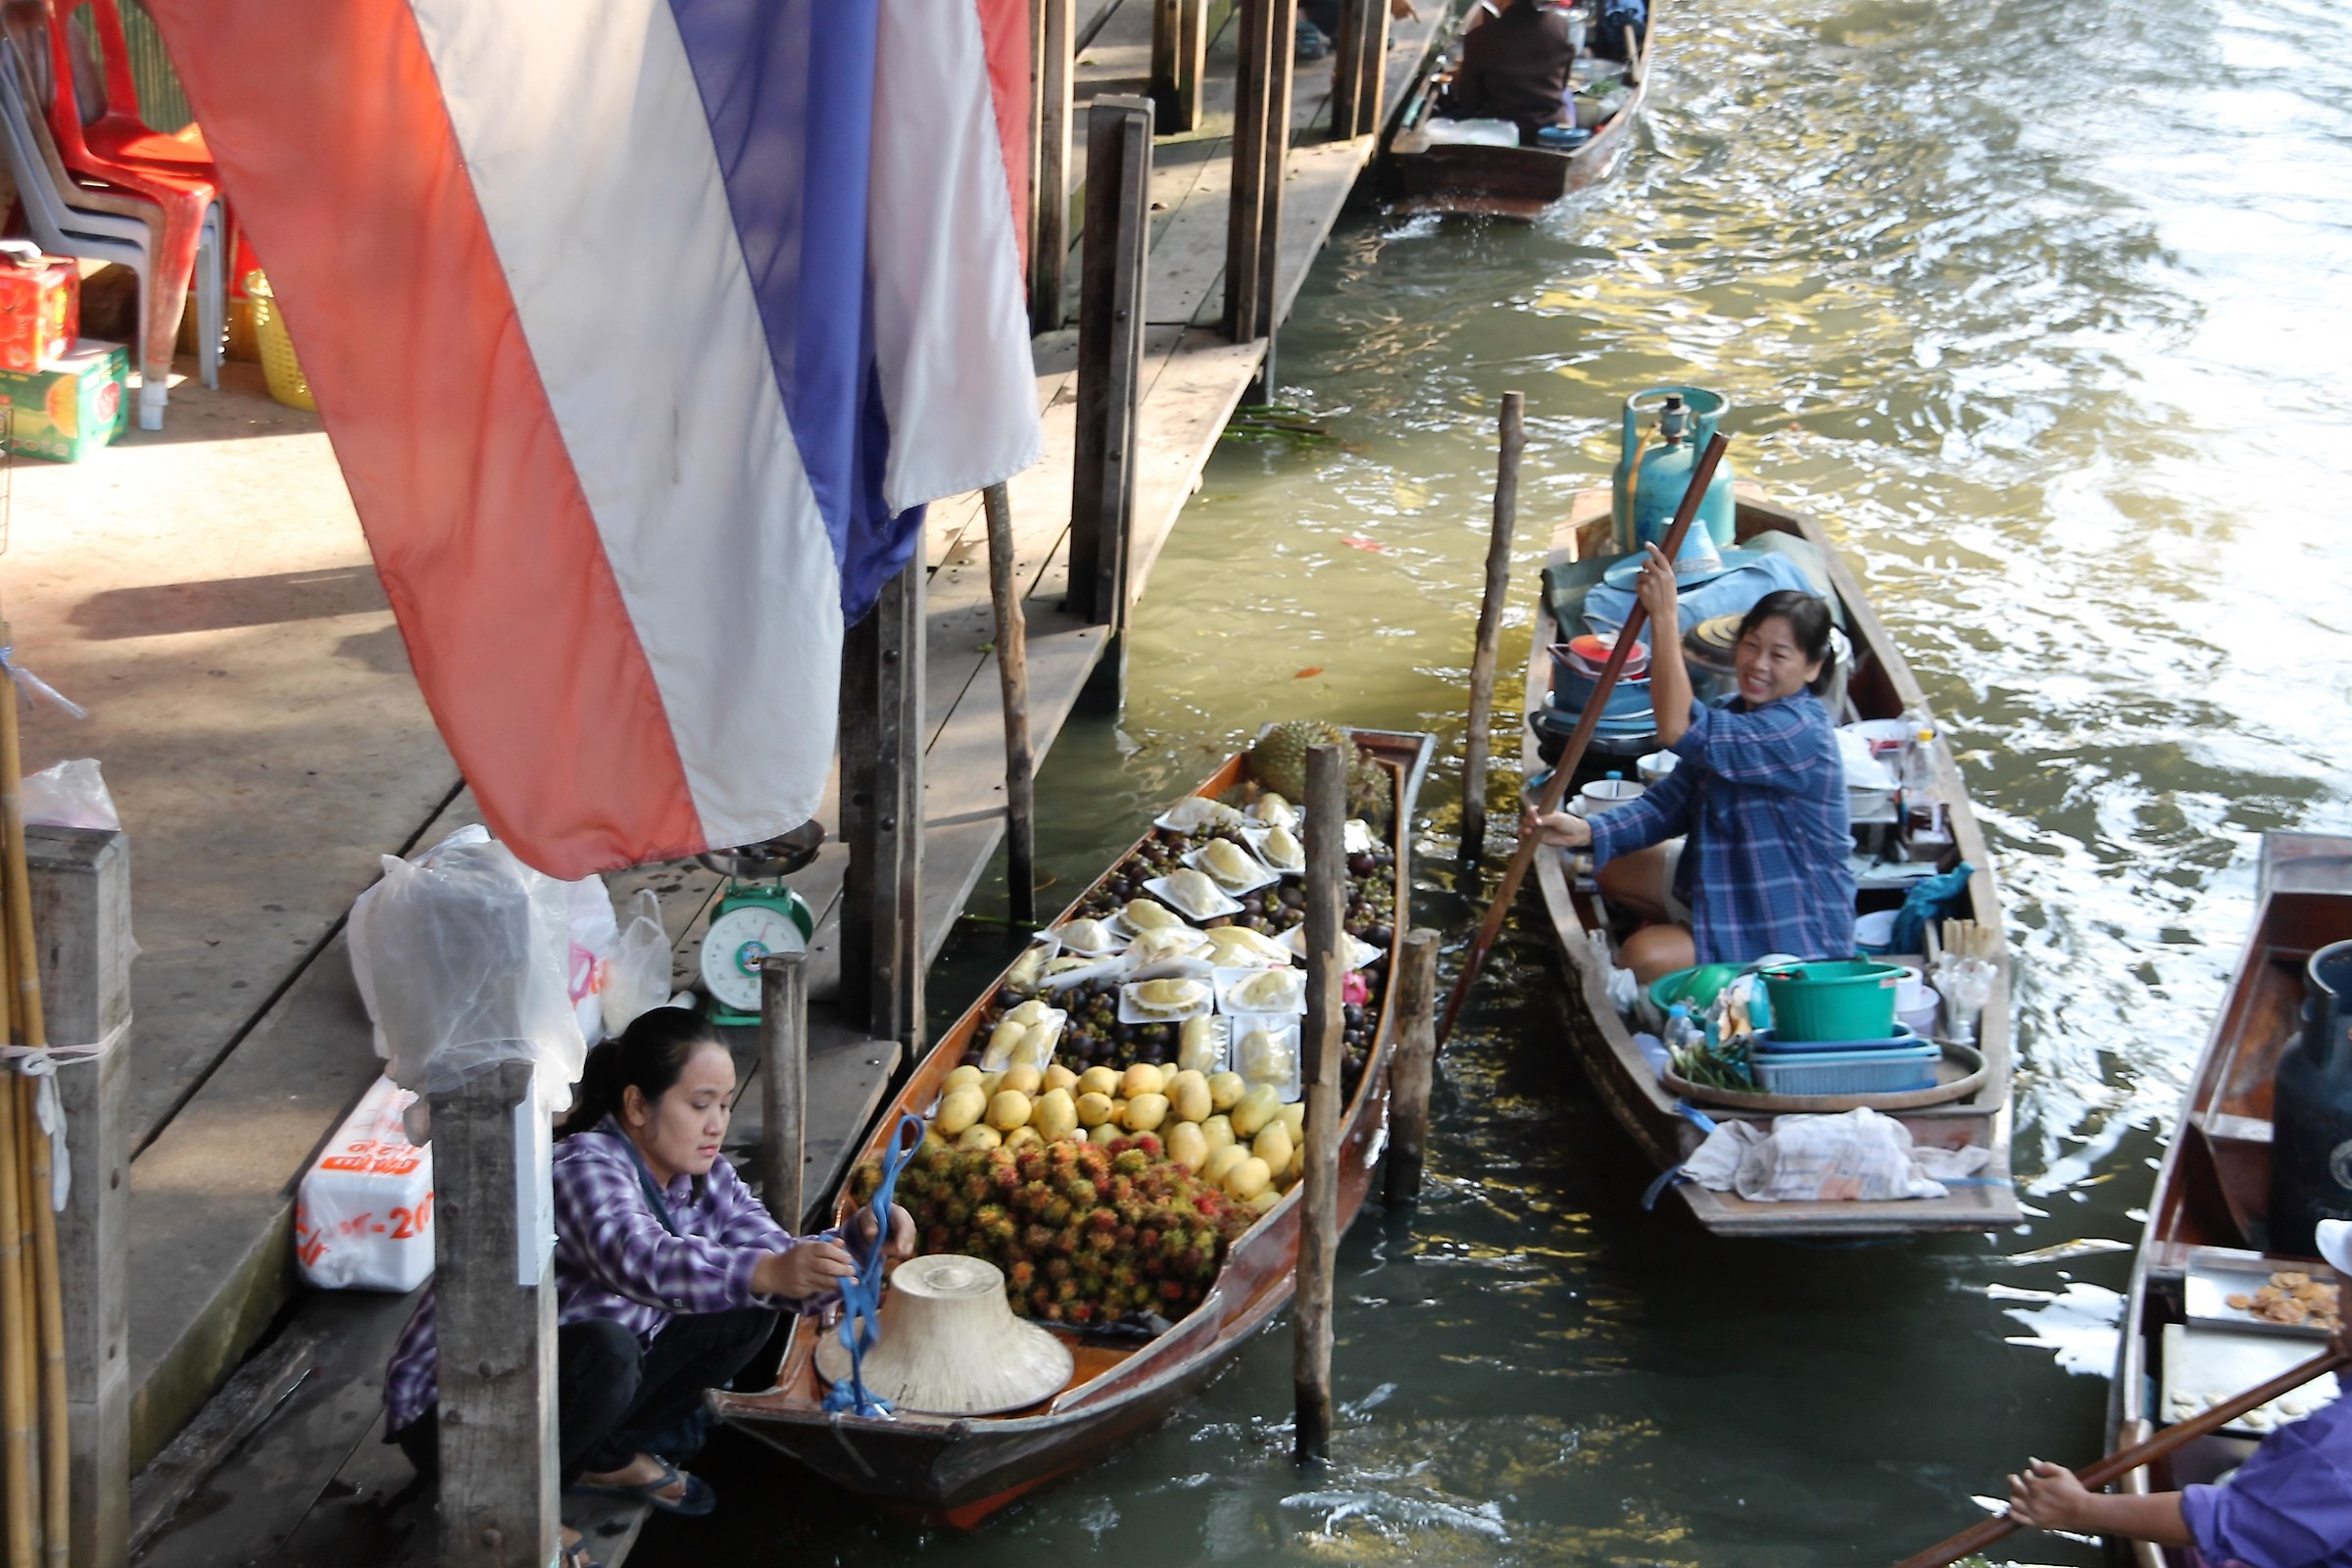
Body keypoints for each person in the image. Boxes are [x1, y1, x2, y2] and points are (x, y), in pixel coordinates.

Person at [380, 1007, 913, 1568]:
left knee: (751, 1308)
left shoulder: (706, 1178)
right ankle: (517, 1507)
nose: (717, 1124)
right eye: (699, 1104)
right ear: (637, 1105)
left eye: (725, 1105)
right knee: (612, 1350)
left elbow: (779, 1262)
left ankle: (603, 1456)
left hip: (562, 1390)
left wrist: (858, 1240)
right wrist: (766, 1272)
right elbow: (639, 1260)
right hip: (459, 1412)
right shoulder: (584, 1166)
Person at [1523, 545, 1855, 984]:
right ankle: (1686, 941)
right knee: (1606, 862)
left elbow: (1678, 730)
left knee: (1641, 956)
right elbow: (1668, 805)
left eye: (1779, 655)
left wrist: (1663, 616)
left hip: (1782, 928)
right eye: (1751, 646)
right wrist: (1585, 830)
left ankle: (1693, 965)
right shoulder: (1734, 710)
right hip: (1724, 882)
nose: (1757, 664)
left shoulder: (1798, 731)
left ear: (1812, 668)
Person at [2006, 1219, 2352, 1567]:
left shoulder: (2333, 1444)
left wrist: (2080, 1509)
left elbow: (2231, 1524)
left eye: (2343, 1286)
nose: (2336, 1300)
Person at [1436, 0, 1579, 143]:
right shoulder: (1558, 25)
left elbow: (1469, 101)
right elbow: (1562, 82)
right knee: (1567, 95)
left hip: (1500, 131)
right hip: (1550, 127)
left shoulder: (1480, 37)